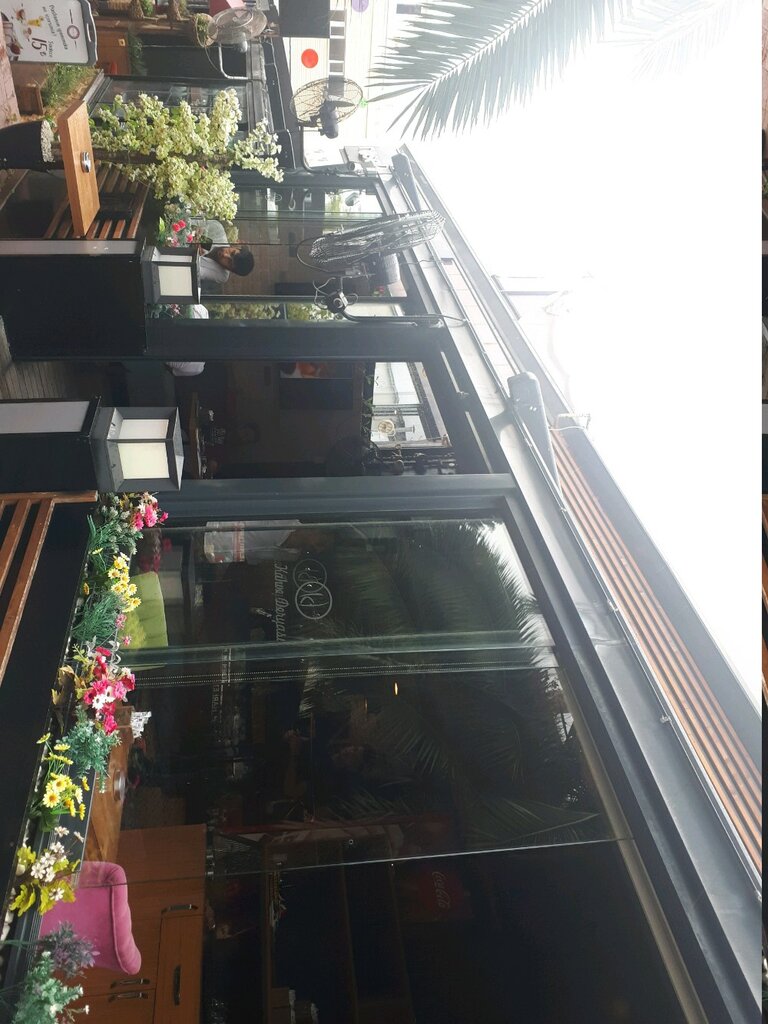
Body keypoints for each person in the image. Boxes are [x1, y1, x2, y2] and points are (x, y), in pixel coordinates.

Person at [198, 219, 254, 286]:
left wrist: (195, 252)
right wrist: (196, 235)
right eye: (232, 253)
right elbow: (191, 221)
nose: (225, 255)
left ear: (229, 270)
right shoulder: (218, 230)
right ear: (236, 247)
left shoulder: (222, 275)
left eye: (229, 262)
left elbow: (197, 271)